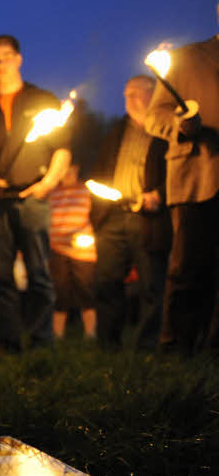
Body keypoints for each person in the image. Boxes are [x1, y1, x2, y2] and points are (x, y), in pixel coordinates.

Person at [0, 35, 72, 353]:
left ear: (19, 58)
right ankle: (8, 341)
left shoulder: (43, 100)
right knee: (0, 276)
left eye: (7, 56)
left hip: (33, 199)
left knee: (39, 272)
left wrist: (47, 184)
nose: (2, 64)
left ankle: (42, 341)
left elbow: (62, 150)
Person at [144, 4, 219, 355]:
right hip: (197, 177)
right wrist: (180, 124)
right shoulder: (186, 59)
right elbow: (153, 116)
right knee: (188, 266)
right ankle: (176, 349)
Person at [89, 75, 169, 350]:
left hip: (148, 220)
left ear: (153, 95)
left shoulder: (165, 132)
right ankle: (108, 345)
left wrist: (160, 194)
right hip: (112, 218)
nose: (129, 100)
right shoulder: (115, 131)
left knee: (151, 284)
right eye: (126, 94)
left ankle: (149, 346)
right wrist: (97, 216)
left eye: (136, 93)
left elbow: (178, 171)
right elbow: (99, 170)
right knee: (107, 282)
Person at [47, 163, 96, 338]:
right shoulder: (52, 192)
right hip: (58, 249)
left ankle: (90, 333)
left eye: (71, 171)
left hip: (82, 251)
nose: (67, 175)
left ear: (77, 170)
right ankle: (57, 335)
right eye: (64, 171)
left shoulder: (86, 190)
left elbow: (97, 214)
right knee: (60, 291)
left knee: (86, 290)